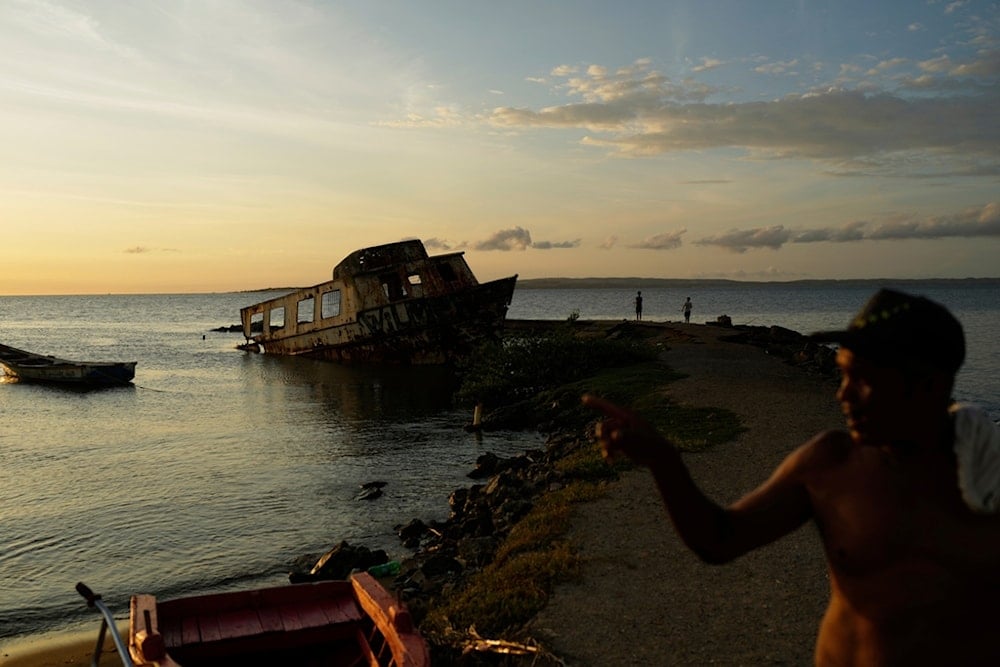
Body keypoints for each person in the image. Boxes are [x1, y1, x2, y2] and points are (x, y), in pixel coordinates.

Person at [585, 288, 1000, 665]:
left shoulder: (986, 486)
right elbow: (720, 539)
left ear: (930, 384)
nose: (843, 394)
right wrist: (663, 460)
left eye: (865, 379)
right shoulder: (832, 464)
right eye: (842, 374)